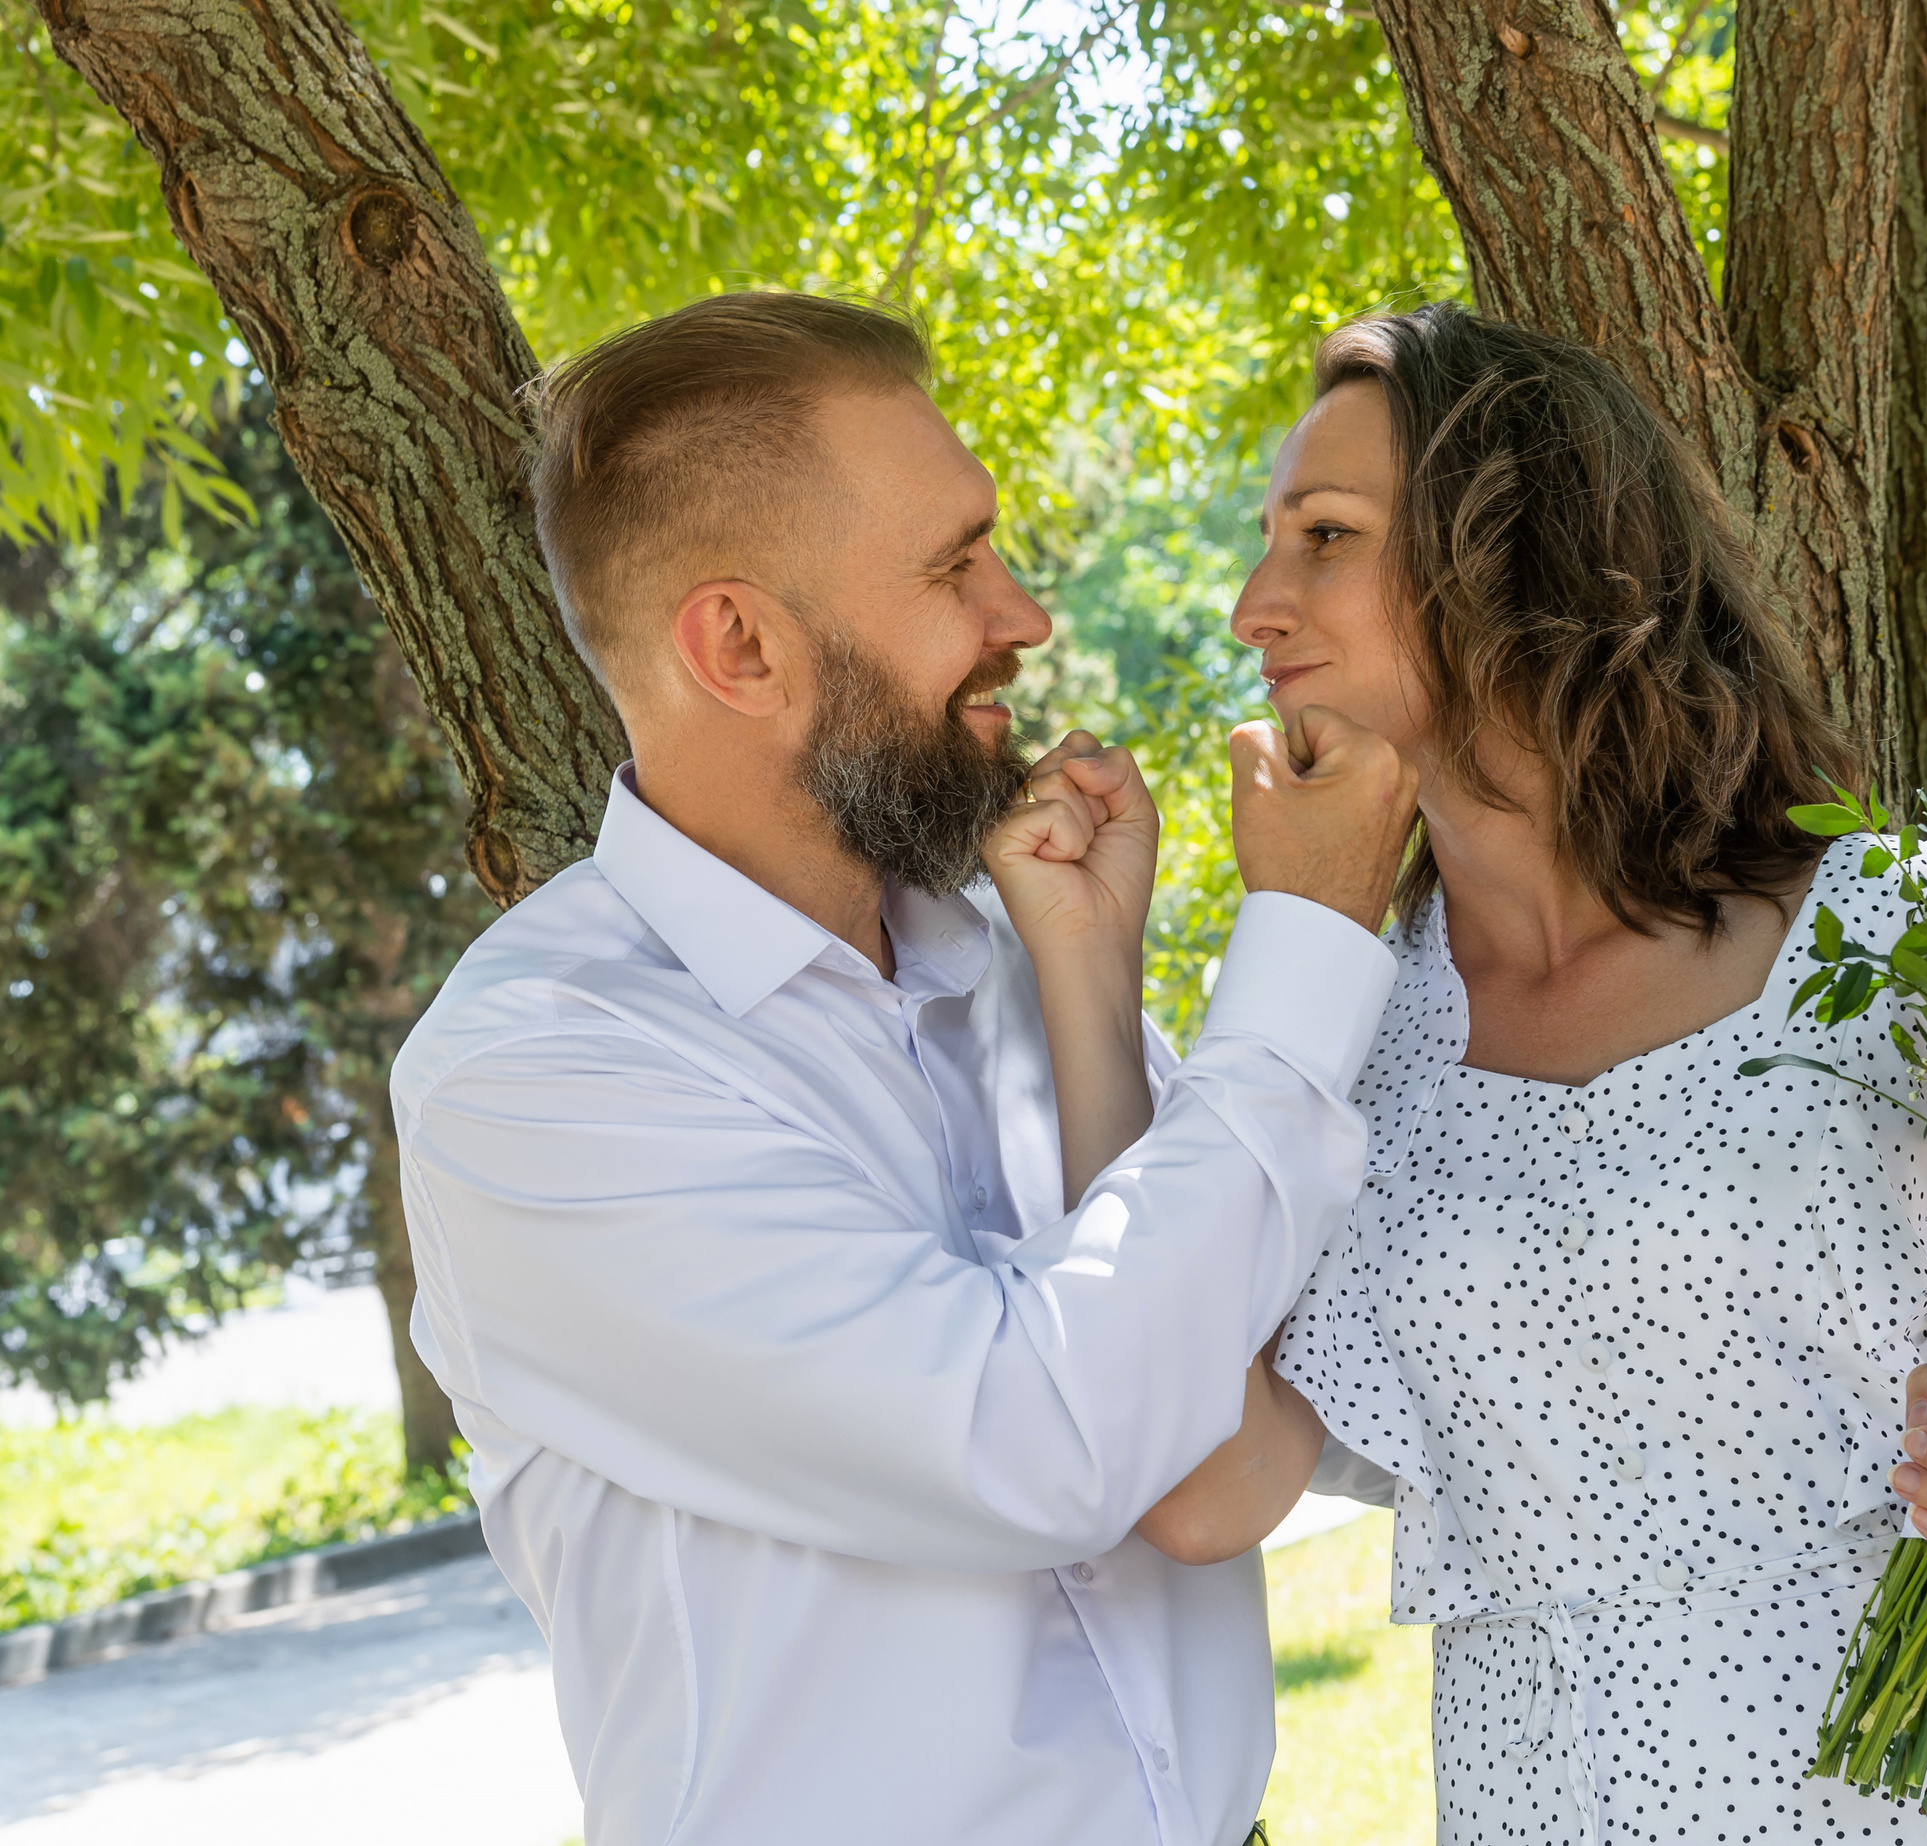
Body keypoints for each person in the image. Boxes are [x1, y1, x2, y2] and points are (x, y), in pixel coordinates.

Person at [1146, 304, 1927, 1843]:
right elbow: (1205, 1486)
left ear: (1525, 553)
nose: (1259, 603)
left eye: (1325, 536)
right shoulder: (1336, 1033)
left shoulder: (1892, 936)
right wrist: (1145, 953)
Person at [388, 290, 1418, 1846]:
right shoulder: (539, 1075)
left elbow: (1251, 1396)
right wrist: (1308, 937)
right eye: (954, 566)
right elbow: (1045, 1441)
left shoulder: (1008, 958)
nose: (1024, 615)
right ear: (738, 644)